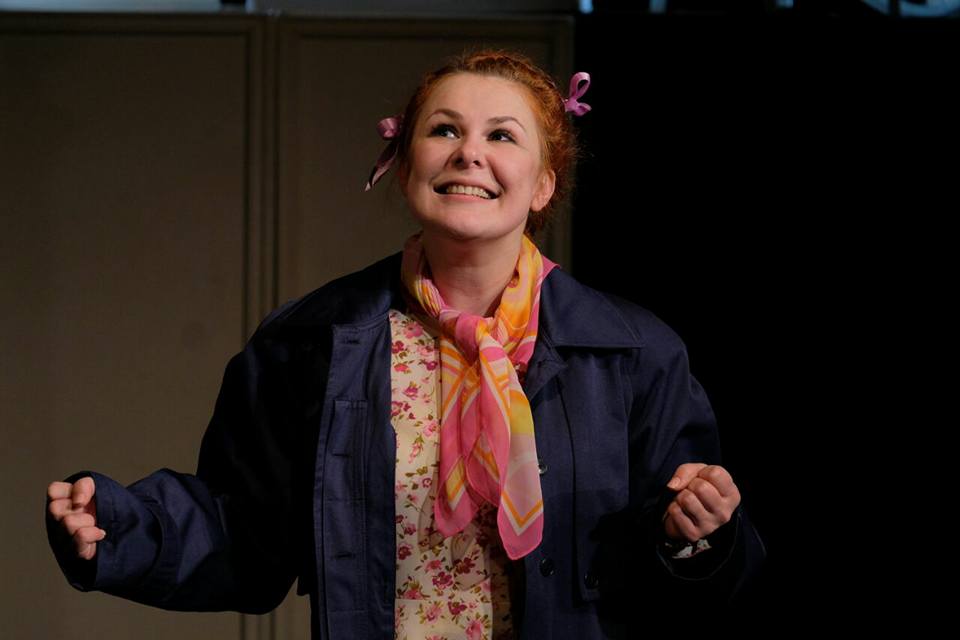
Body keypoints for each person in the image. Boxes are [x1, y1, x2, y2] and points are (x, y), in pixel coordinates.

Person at [47, 49, 765, 639]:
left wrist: (697, 532)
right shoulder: (311, 341)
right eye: (444, 130)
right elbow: (245, 531)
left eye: (502, 136)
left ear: (544, 184)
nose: (469, 153)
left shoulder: (633, 354)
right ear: (404, 160)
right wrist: (122, 527)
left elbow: (697, 573)